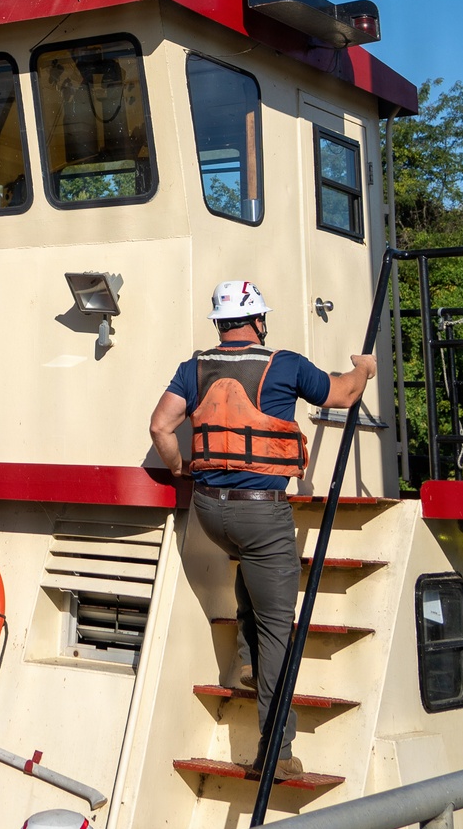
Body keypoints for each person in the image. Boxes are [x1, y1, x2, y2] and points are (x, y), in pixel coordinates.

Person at [149, 279, 376, 780]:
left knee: (251, 569)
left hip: (210, 512)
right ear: (257, 321)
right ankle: (277, 750)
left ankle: (247, 660)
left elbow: (161, 426)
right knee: (280, 630)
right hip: (261, 512)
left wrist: (180, 468)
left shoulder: (195, 369)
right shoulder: (286, 364)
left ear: (220, 324)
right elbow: (343, 394)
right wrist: (363, 368)